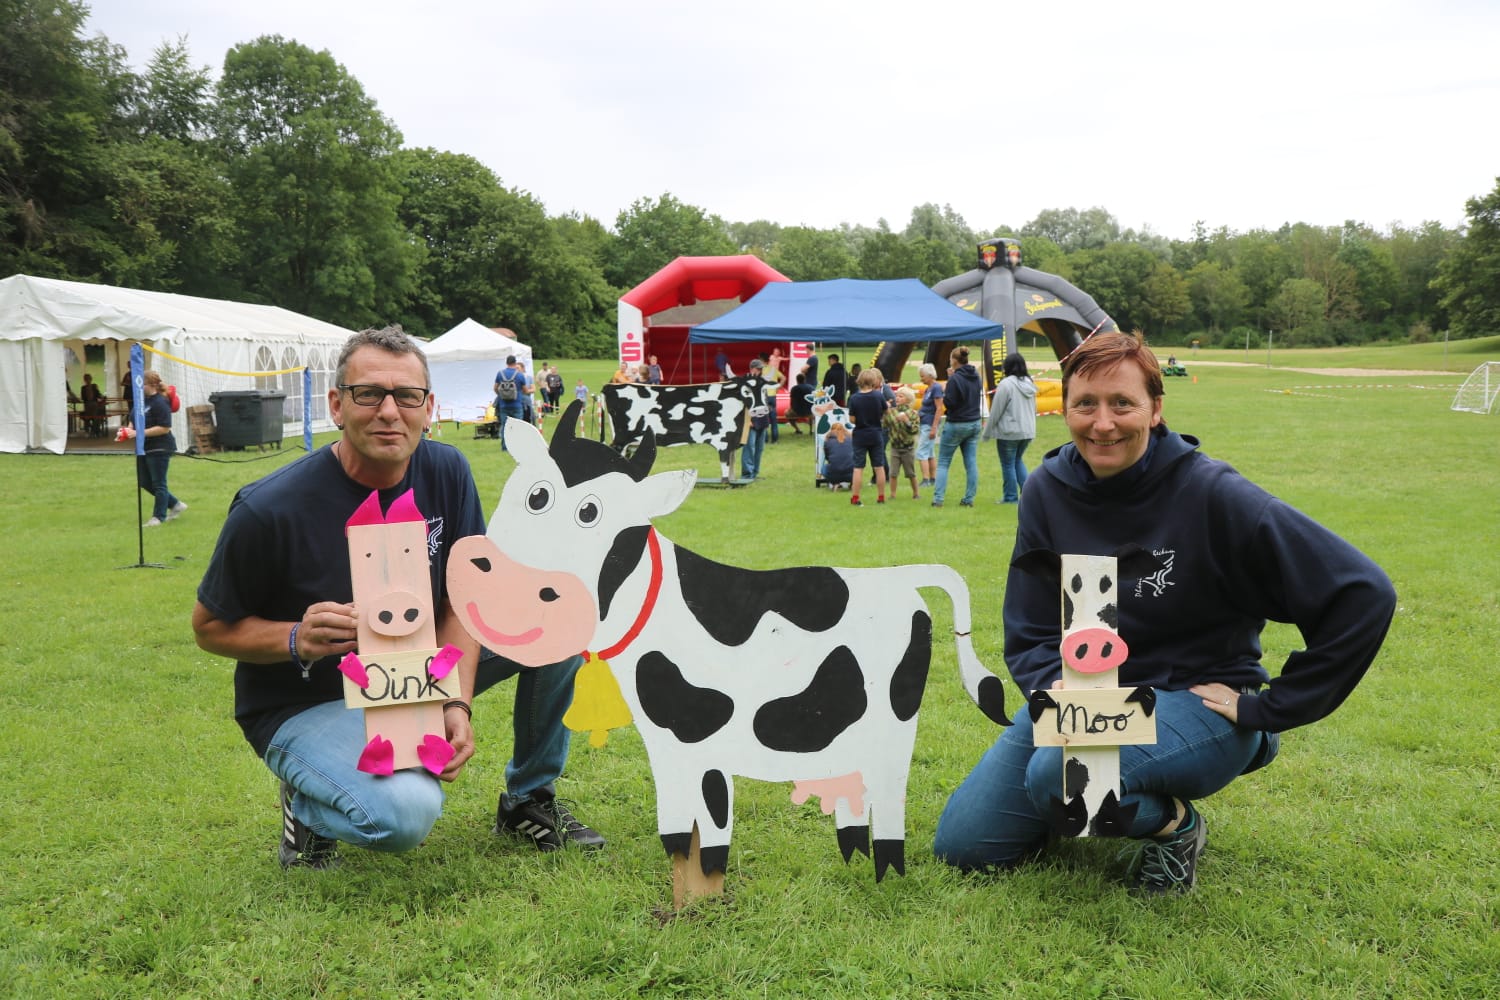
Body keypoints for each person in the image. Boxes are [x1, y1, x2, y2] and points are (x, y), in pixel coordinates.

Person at [933, 331, 1396, 893]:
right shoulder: (1047, 490)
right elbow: (1029, 623)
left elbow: (1362, 592)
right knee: (965, 849)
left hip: (1196, 702)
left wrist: (1273, 709)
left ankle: (1177, 825)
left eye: (1122, 404)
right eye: (1085, 404)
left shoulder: (1213, 493)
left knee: (1060, 781)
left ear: (1155, 409)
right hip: (1088, 694)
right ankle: (1081, 801)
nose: (1102, 423)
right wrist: (1052, 685)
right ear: (1066, 410)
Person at [192, 326, 603, 870]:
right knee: (405, 814)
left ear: (428, 406)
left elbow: (463, 598)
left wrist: (453, 699)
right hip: (310, 698)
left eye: (406, 396)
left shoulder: (446, 469)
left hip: (417, 665)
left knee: (556, 631)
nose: (389, 411)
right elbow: (210, 628)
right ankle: (309, 799)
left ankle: (528, 798)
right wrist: (295, 637)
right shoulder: (269, 508)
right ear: (337, 405)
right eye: (369, 394)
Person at [128, 370, 187, 526]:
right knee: (144, 481)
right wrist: (128, 430)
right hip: (143, 447)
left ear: (152, 385)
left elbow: (165, 427)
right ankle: (175, 504)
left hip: (160, 447)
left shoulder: (160, 402)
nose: (138, 388)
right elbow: (133, 418)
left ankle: (158, 517)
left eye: (142, 384)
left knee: (158, 483)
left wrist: (138, 433)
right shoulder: (141, 401)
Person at [981, 353, 1038, 505]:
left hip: (1009, 432)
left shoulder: (1006, 384)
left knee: (1008, 464)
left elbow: (996, 410)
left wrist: (987, 433)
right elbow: (1034, 409)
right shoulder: (1030, 383)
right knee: (1017, 461)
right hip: (1027, 430)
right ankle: (1029, 495)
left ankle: (1010, 497)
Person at [931, 347, 982, 508]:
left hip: (957, 423)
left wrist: (948, 386)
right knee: (971, 462)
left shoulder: (954, 380)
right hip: (974, 422)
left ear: (954, 360)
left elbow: (950, 402)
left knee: (944, 462)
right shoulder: (976, 376)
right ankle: (969, 499)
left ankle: (938, 499)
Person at [845, 367, 888, 506]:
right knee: (879, 466)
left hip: (860, 435)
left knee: (858, 467)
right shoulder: (878, 396)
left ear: (859, 381)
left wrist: (862, 419)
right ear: (873, 381)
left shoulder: (854, 398)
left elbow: (851, 419)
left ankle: (855, 498)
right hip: (876, 434)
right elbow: (886, 413)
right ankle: (881, 497)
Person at [884, 386, 921, 499]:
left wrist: (906, 421)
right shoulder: (892, 412)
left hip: (908, 448)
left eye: (901, 396)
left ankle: (916, 493)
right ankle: (893, 494)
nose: (897, 398)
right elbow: (885, 424)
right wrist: (886, 411)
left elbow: (915, 430)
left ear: (908, 399)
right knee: (893, 473)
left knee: (910, 473)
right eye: (897, 396)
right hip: (895, 447)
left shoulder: (913, 414)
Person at [739, 358, 771, 480]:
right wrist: (748, 420)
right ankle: (747, 474)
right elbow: (742, 403)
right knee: (749, 448)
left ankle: (755, 473)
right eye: (758, 369)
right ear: (752, 369)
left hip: (762, 420)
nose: (761, 371)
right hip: (751, 421)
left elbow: (765, 400)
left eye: (761, 369)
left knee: (759, 448)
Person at [916, 363, 942, 487]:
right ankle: (933, 479)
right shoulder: (928, 388)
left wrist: (934, 428)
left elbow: (939, 408)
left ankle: (925, 479)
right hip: (924, 423)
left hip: (929, 424)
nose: (921, 379)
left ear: (930, 375)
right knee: (930, 453)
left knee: (921, 452)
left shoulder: (936, 388)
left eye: (923, 376)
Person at [492, 354, 525, 452]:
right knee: (517, 426)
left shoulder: (500, 374)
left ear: (506, 363)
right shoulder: (519, 375)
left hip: (504, 405)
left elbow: (495, 388)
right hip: (517, 404)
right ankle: (517, 447)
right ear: (515, 363)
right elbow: (525, 390)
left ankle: (504, 447)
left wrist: (501, 395)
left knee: (505, 426)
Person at [821, 421, 853, 490]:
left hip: (834, 475)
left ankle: (835, 483)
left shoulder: (827, 441)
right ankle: (852, 484)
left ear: (831, 430)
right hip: (852, 475)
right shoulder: (851, 439)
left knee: (823, 468)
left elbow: (827, 458)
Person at [762, 350, 785, 444]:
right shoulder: (773, 369)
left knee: (764, 419)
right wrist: (779, 386)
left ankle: (765, 439)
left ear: (761, 360)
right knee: (774, 420)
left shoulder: (760, 370)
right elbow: (783, 378)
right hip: (773, 396)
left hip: (765, 396)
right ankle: (775, 440)